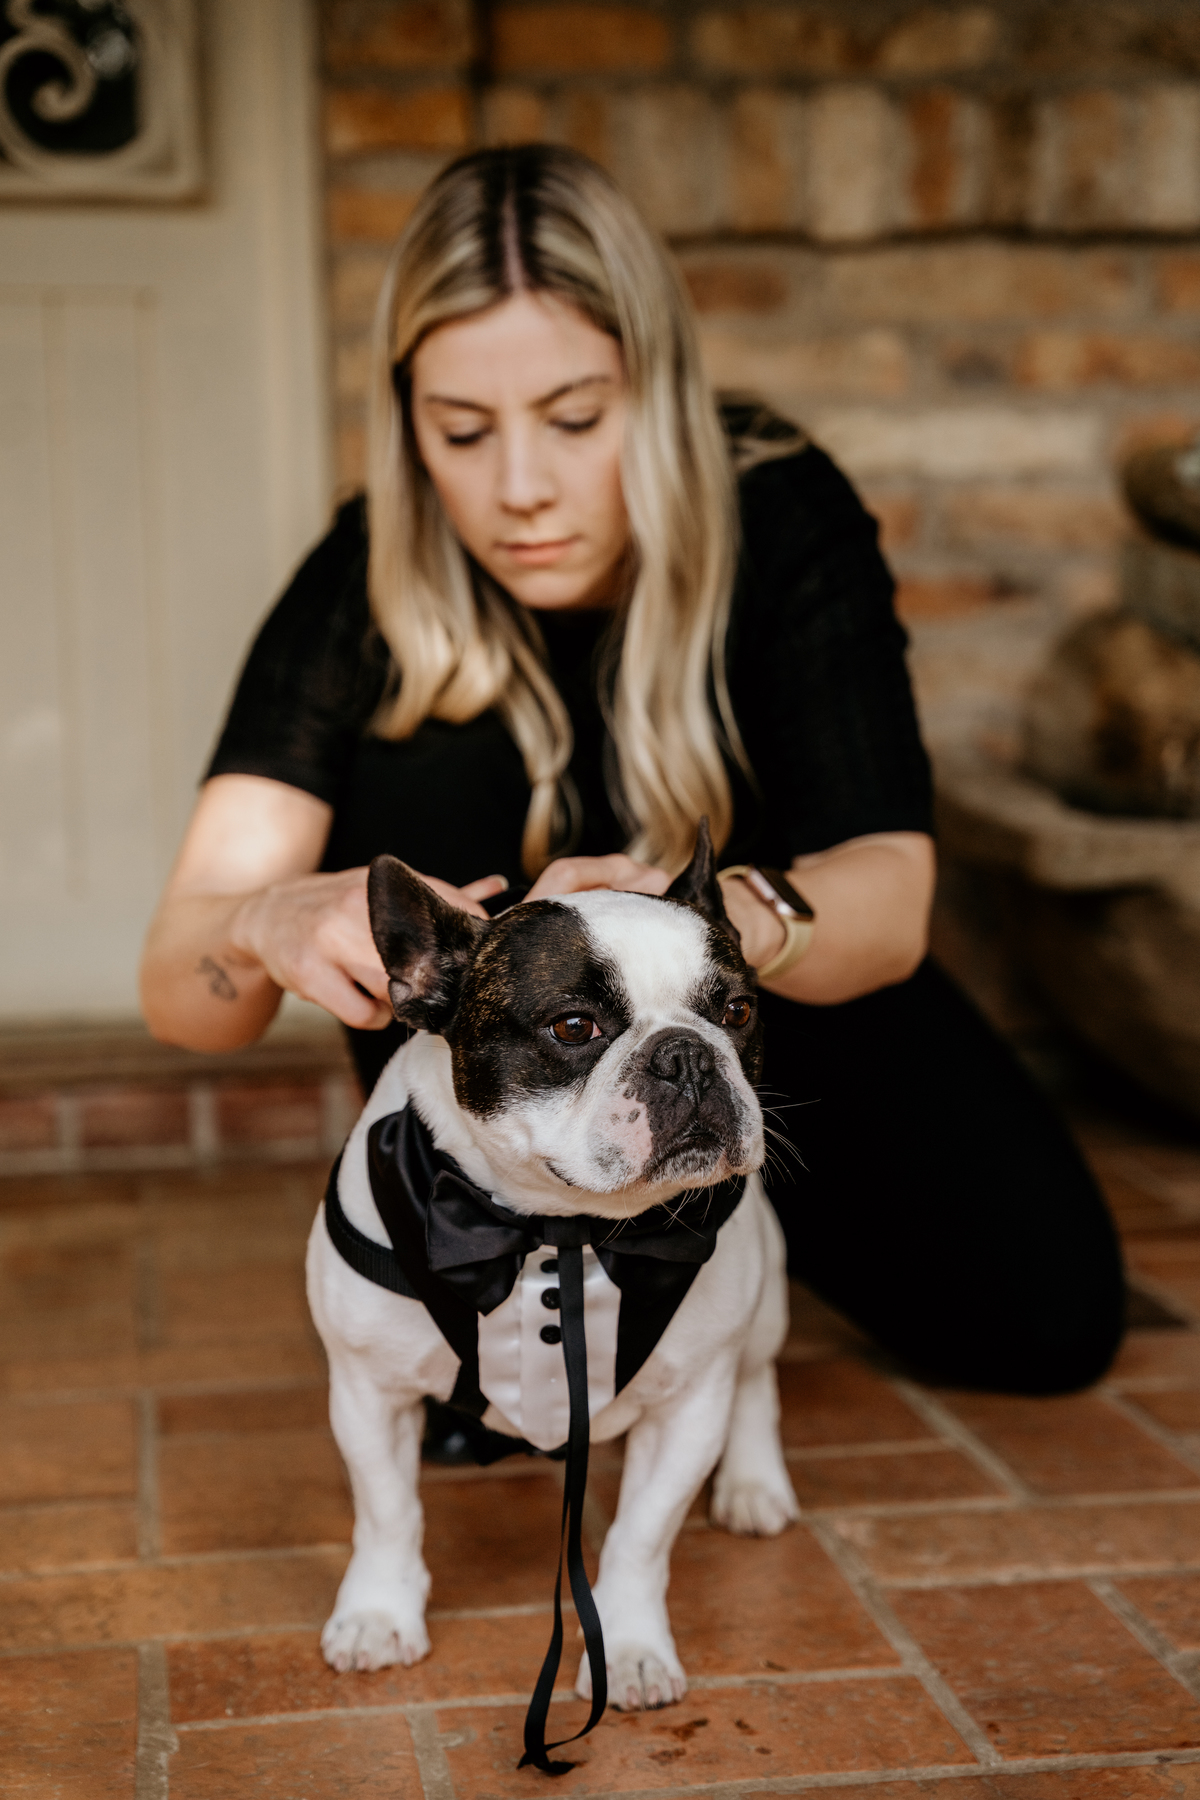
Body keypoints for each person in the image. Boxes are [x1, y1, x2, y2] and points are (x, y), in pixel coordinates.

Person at [140, 143, 1124, 1401]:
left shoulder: (779, 513)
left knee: (1045, 1315)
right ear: (407, 427)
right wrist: (265, 919)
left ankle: (713, 1260)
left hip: (772, 1018)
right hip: (499, 1127)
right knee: (419, 762)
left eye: (574, 419)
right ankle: (482, 1280)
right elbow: (183, 992)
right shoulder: (363, 580)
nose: (520, 489)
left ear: (656, 392)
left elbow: (889, 896)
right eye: (461, 431)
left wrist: (709, 934)